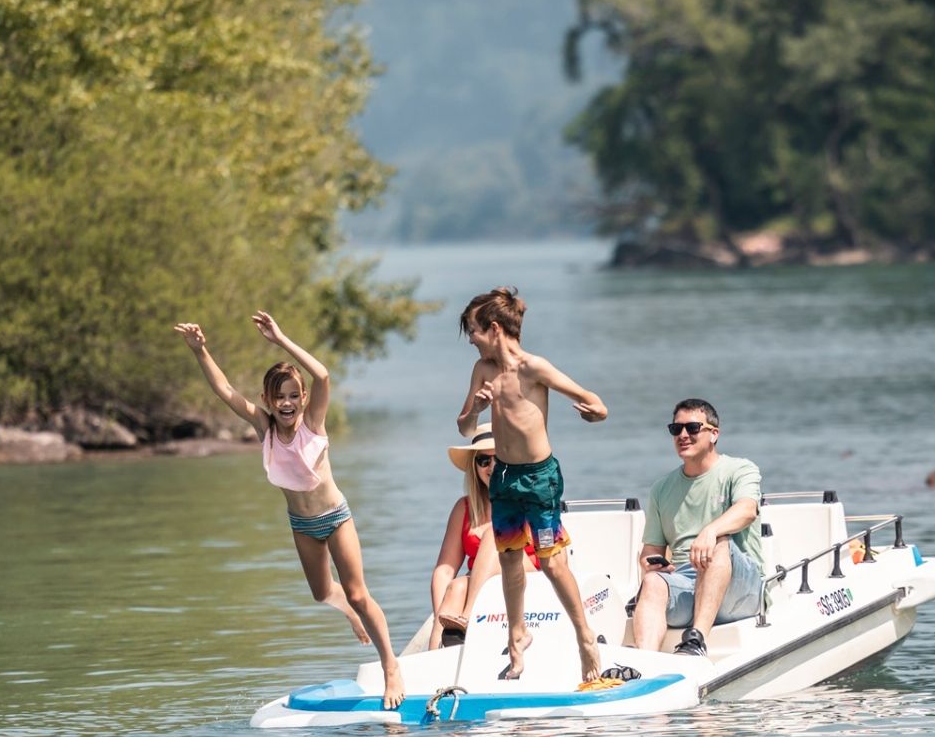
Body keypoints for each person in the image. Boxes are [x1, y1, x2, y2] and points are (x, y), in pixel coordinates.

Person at [175, 311, 404, 708]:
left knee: (358, 592)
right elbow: (225, 390)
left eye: (293, 396)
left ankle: (390, 666)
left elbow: (323, 376)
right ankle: (349, 611)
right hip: (301, 524)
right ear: (268, 400)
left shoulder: (313, 423)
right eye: (279, 397)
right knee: (321, 594)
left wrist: (281, 339)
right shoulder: (265, 429)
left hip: (335, 518)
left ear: (302, 399)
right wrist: (201, 351)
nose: (287, 403)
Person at [455, 286, 611, 686]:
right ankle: (517, 635)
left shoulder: (534, 368)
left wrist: (593, 412)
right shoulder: (483, 372)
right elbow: (465, 426)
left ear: (493, 328)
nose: (470, 340)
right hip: (504, 478)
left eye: (473, 331)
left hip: (539, 478)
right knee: (508, 560)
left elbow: (594, 402)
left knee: (553, 561)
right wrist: (476, 405)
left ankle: (585, 637)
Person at [627, 398, 765, 655]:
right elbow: (650, 551)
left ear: (714, 434)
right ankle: (646, 663)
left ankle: (695, 641)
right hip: (686, 584)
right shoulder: (661, 488)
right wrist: (652, 564)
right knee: (654, 582)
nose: (683, 435)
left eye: (692, 428)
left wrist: (710, 531)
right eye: (675, 429)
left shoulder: (740, 469)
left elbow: (747, 510)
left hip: (740, 589)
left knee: (719, 543)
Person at [430, 422, 537, 646]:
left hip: (529, 578)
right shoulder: (464, 508)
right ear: (475, 466)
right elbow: (444, 570)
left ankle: (467, 619)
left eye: (499, 458)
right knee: (456, 587)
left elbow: (555, 557)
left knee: (494, 534)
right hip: (481, 588)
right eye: (483, 460)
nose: (491, 467)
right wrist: (438, 615)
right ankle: (435, 656)